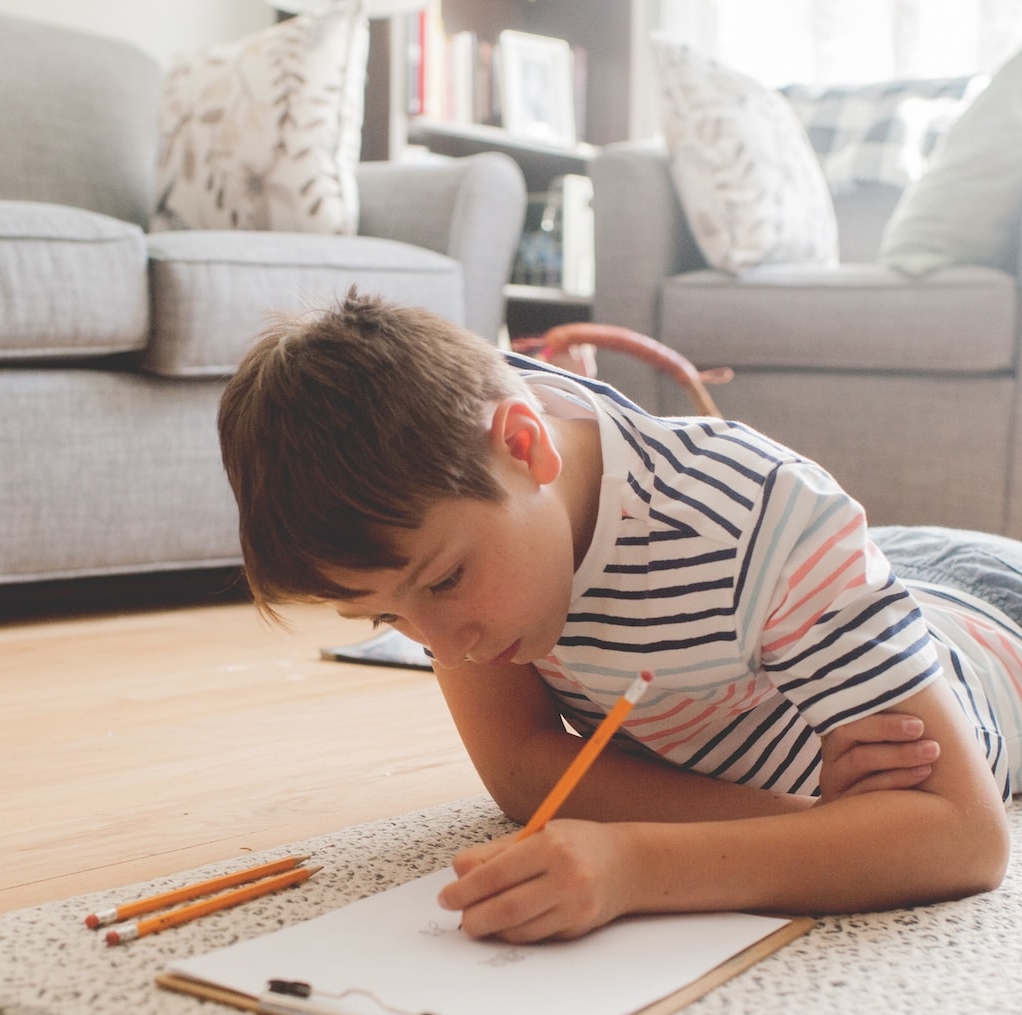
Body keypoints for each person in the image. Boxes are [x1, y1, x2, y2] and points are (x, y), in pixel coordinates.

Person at [218, 290, 1022, 943]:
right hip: (851, 586)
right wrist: (825, 829)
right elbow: (525, 771)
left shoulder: (762, 512)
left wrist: (640, 863)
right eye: (385, 618)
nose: (441, 644)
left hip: (987, 625)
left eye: (446, 580)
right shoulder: (452, 505)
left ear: (527, 448)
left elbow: (962, 836)